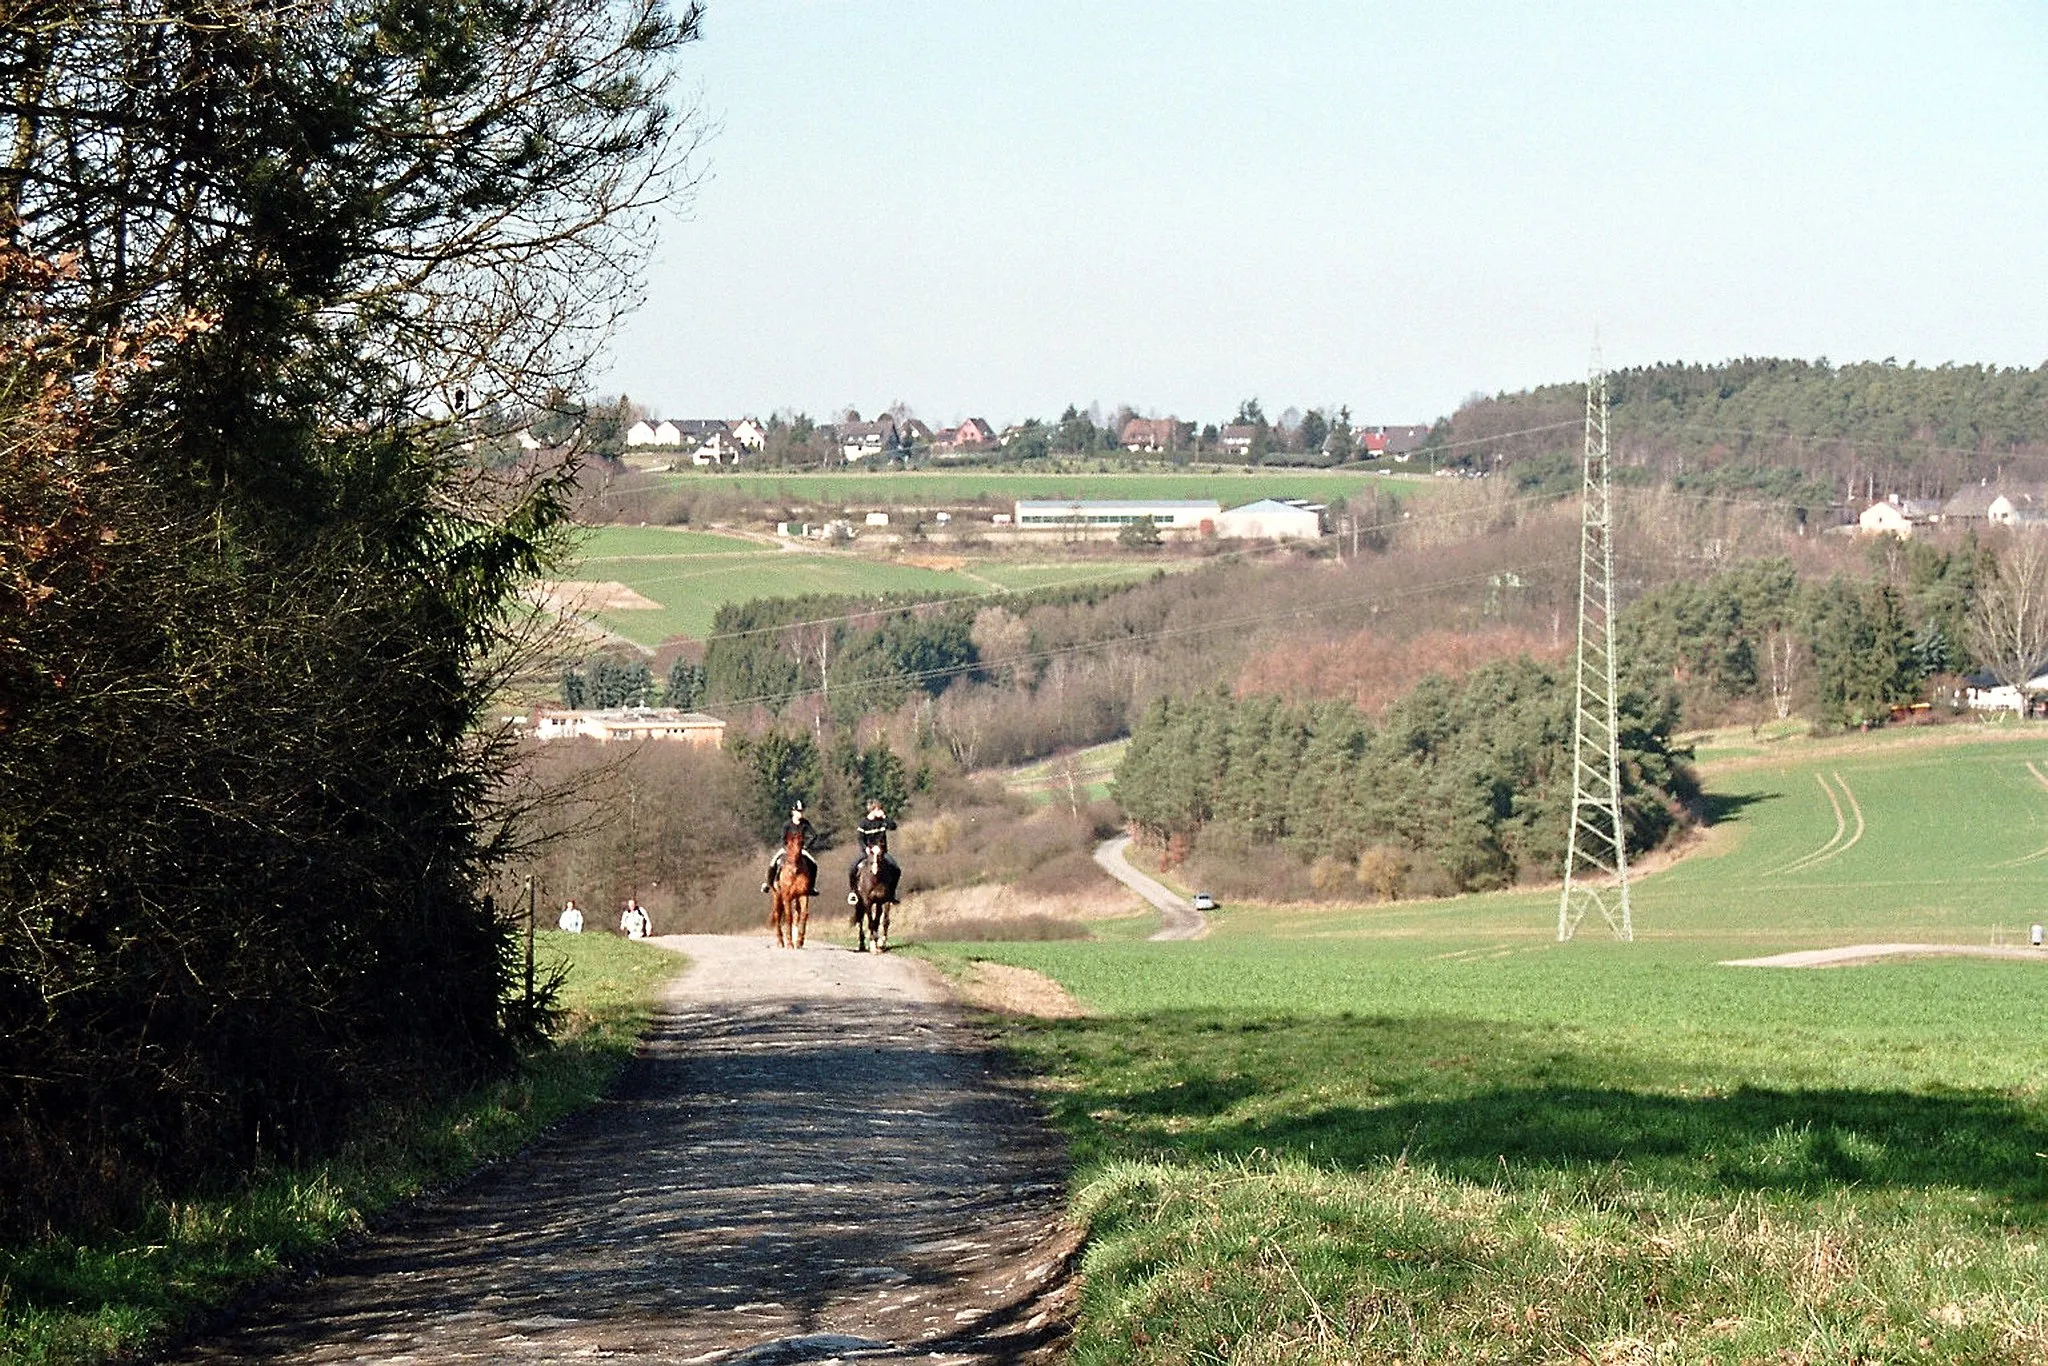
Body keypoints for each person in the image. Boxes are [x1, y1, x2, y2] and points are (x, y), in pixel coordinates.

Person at [848, 798, 900, 905]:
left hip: (882, 853)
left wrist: (885, 817)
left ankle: (892, 894)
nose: (881, 811)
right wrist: (865, 848)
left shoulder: (882, 822)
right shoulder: (863, 824)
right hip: (867, 853)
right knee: (852, 868)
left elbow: (893, 826)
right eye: (878, 809)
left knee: (896, 868)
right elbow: (860, 839)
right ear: (873, 810)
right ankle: (853, 892)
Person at [761, 800, 818, 893]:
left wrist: (806, 846)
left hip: (800, 849)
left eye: (802, 811)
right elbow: (782, 838)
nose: (800, 813)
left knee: (814, 864)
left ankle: (811, 887)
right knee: (773, 862)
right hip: (787, 848)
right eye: (798, 811)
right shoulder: (787, 824)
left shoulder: (805, 823)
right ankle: (768, 884)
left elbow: (814, 835)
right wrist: (786, 848)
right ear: (793, 812)